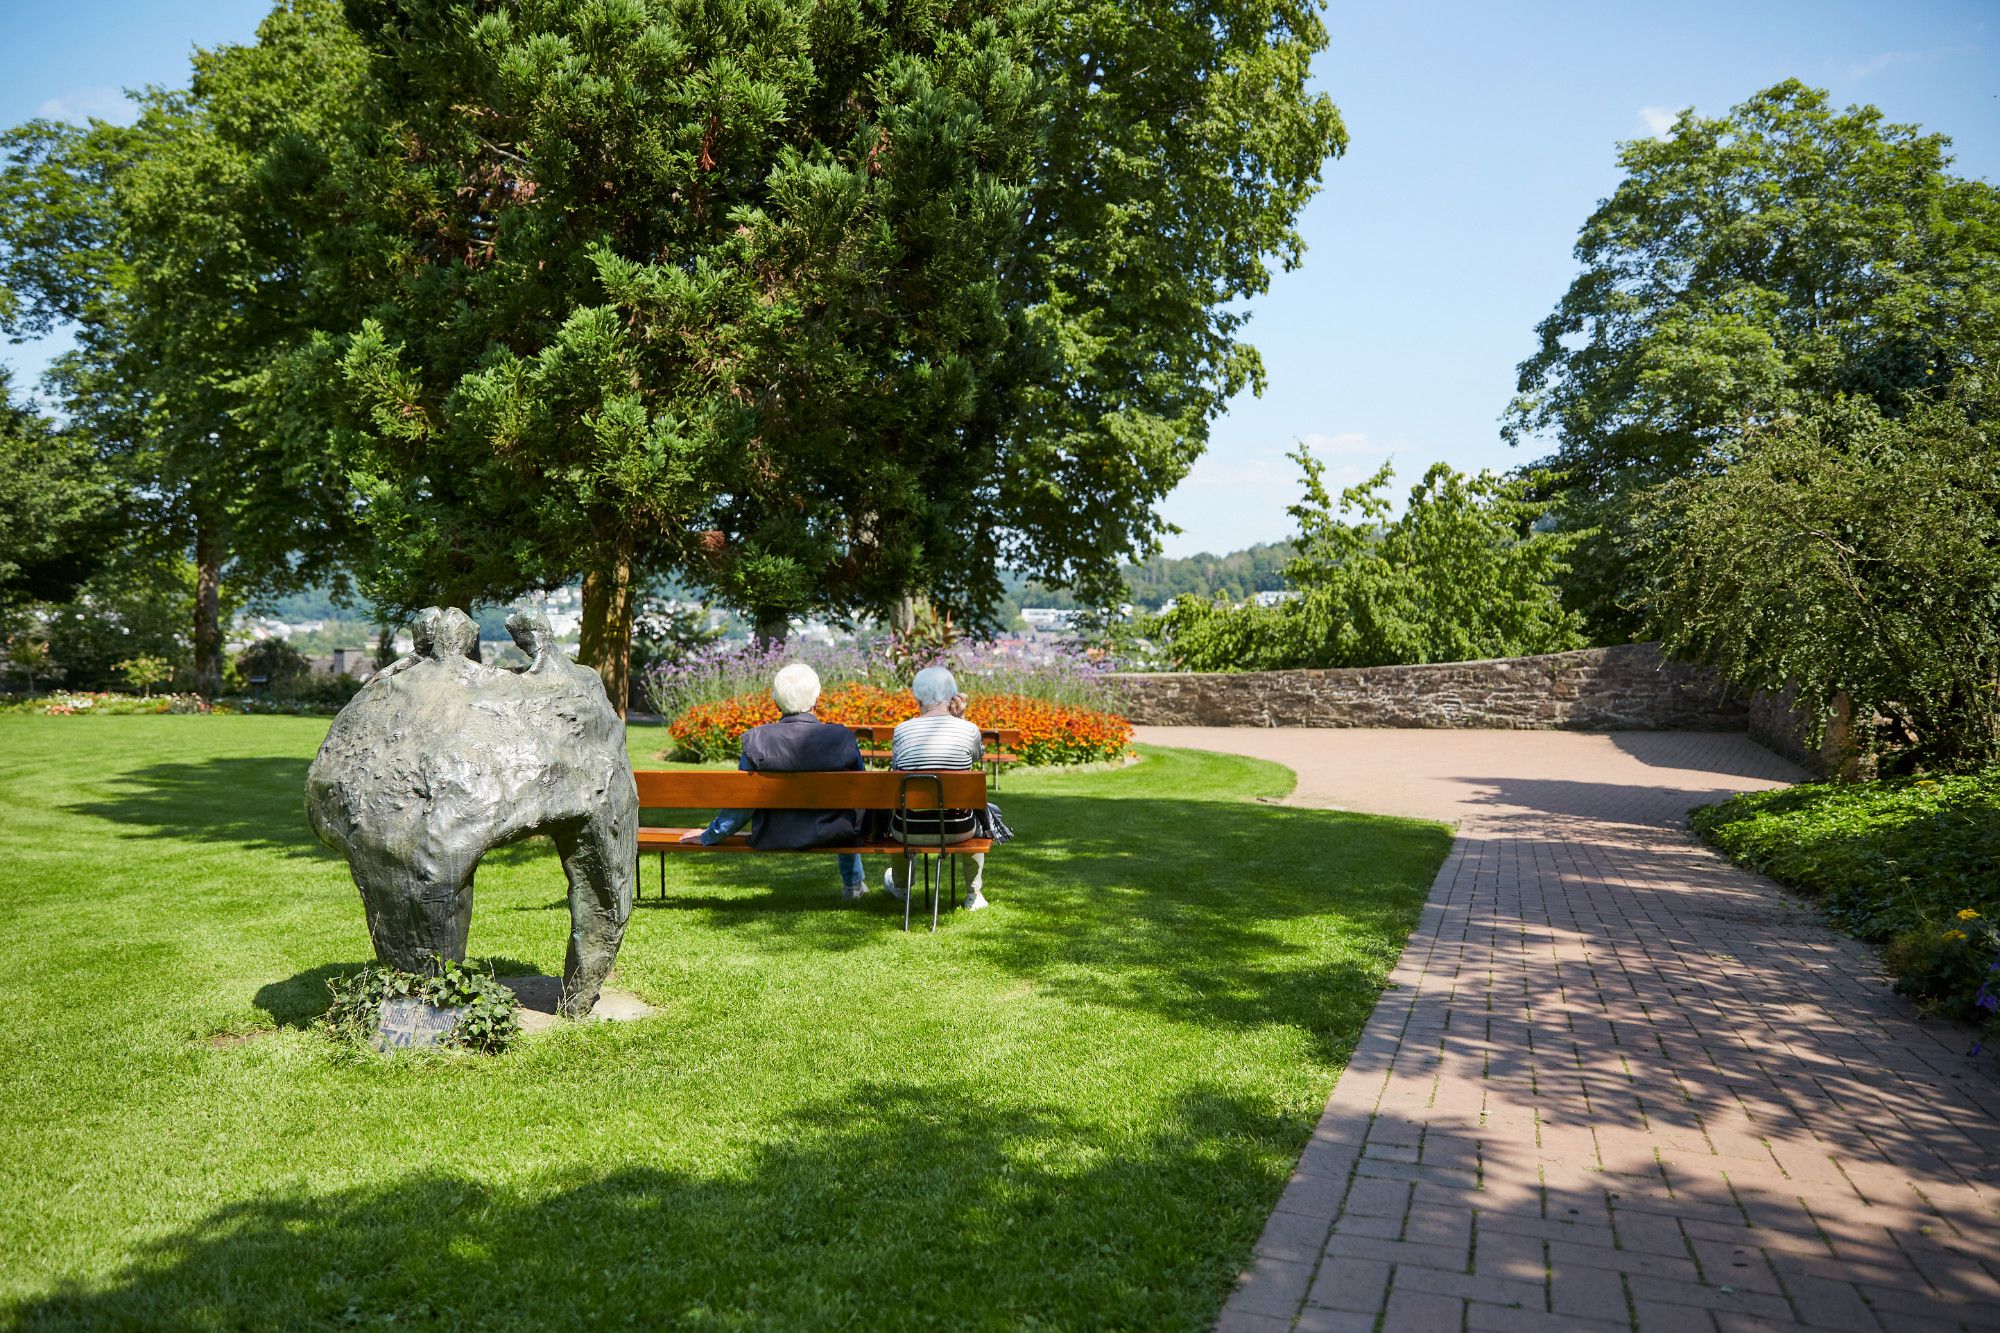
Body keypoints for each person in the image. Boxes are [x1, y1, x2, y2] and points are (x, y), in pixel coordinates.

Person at [678, 663, 868, 900]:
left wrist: (710, 834)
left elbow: (742, 801)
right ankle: (853, 884)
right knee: (846, 807)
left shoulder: (755, 740)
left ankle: (853, 883)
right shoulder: (841, 737)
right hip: (835, 831)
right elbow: (861, 793)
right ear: (816, 701)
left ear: (776, 703)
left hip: (774, 833)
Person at [882, 665, 989, 911]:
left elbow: (895, 769)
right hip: (958, 829)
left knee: (899, 811)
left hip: (907, 831)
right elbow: (976, 757)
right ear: (952, 696)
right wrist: (960, 717)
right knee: (977, 812)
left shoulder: (902, 731)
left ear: (917, 697)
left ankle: (900, 886)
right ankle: (973, 894)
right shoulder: (968, 729)